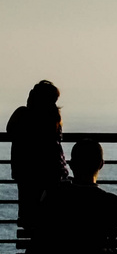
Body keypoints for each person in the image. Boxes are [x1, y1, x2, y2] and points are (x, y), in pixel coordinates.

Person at [6, 80, 70, 228]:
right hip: (53, 172)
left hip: (27, 172)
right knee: (49, 215)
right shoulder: (53, 118)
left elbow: (10, 130)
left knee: (29, 214)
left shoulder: (22, 114)